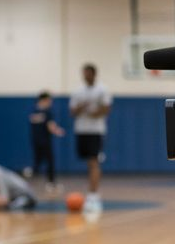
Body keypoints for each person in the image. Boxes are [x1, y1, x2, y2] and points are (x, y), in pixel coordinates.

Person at [69, 63, 111, 212]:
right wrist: (82, 107)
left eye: (87, 73)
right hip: (81, 130)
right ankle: (91, 192)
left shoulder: (102, 89)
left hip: (96, 131)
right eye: (83, 73)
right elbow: (72, 111)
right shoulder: (78, 91)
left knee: (94, 162)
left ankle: (94, 195)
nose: (85, 76)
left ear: (94, 74)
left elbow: (106, 108)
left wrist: (95, 112)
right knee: (88, 162)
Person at [26, 91, 64, 193]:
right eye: (49, 100)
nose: (51, 102)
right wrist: (58, 131)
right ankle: (51, 184)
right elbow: (51, 127)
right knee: (50, 162)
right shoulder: (48, 112)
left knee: (37, 162)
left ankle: (27, 181)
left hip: (35, 141)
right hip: (45, 141)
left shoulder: (33, 111)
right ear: (44, 100)